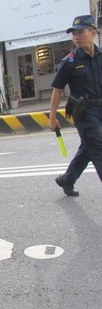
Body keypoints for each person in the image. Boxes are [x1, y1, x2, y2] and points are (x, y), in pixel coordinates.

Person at [49, 14, 102, 197]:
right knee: (98, 147)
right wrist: (52, 117)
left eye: (80, 32)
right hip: (85, 112)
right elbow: (57, 90)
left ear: (93, 33)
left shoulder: (101, 56)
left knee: (88, 148)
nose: (76, 37)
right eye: (74, 33)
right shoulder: (70, 61)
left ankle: (67, 179)